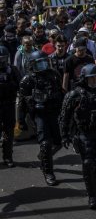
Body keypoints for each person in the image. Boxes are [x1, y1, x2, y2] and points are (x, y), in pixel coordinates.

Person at [59, 64, 96, 209]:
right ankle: (92, 196)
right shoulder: (75, 94)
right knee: (88, 163)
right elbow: (65, 116)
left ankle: (94, 189)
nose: (95, 80)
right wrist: (64, 135)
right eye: (92, 78)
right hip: (83, 133)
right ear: (85, 79)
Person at [17, 50, 65, 186]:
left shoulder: (54, 75)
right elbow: (22, 102)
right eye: (39, 63)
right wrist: (21, 121)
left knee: (58, 142)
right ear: (32, 65)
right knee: (45, 143)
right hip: (39, 115)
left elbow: (60, 92)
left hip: (54, 112)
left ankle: (44, 156)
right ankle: (48, 171)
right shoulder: (27, 80)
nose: (43, 65)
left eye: (45, 62)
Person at [0, 45, 21, 167]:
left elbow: (21, 85)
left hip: (8, 105)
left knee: (8, 132)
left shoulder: (12, 70)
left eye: (3, 59)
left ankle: (8, 156)